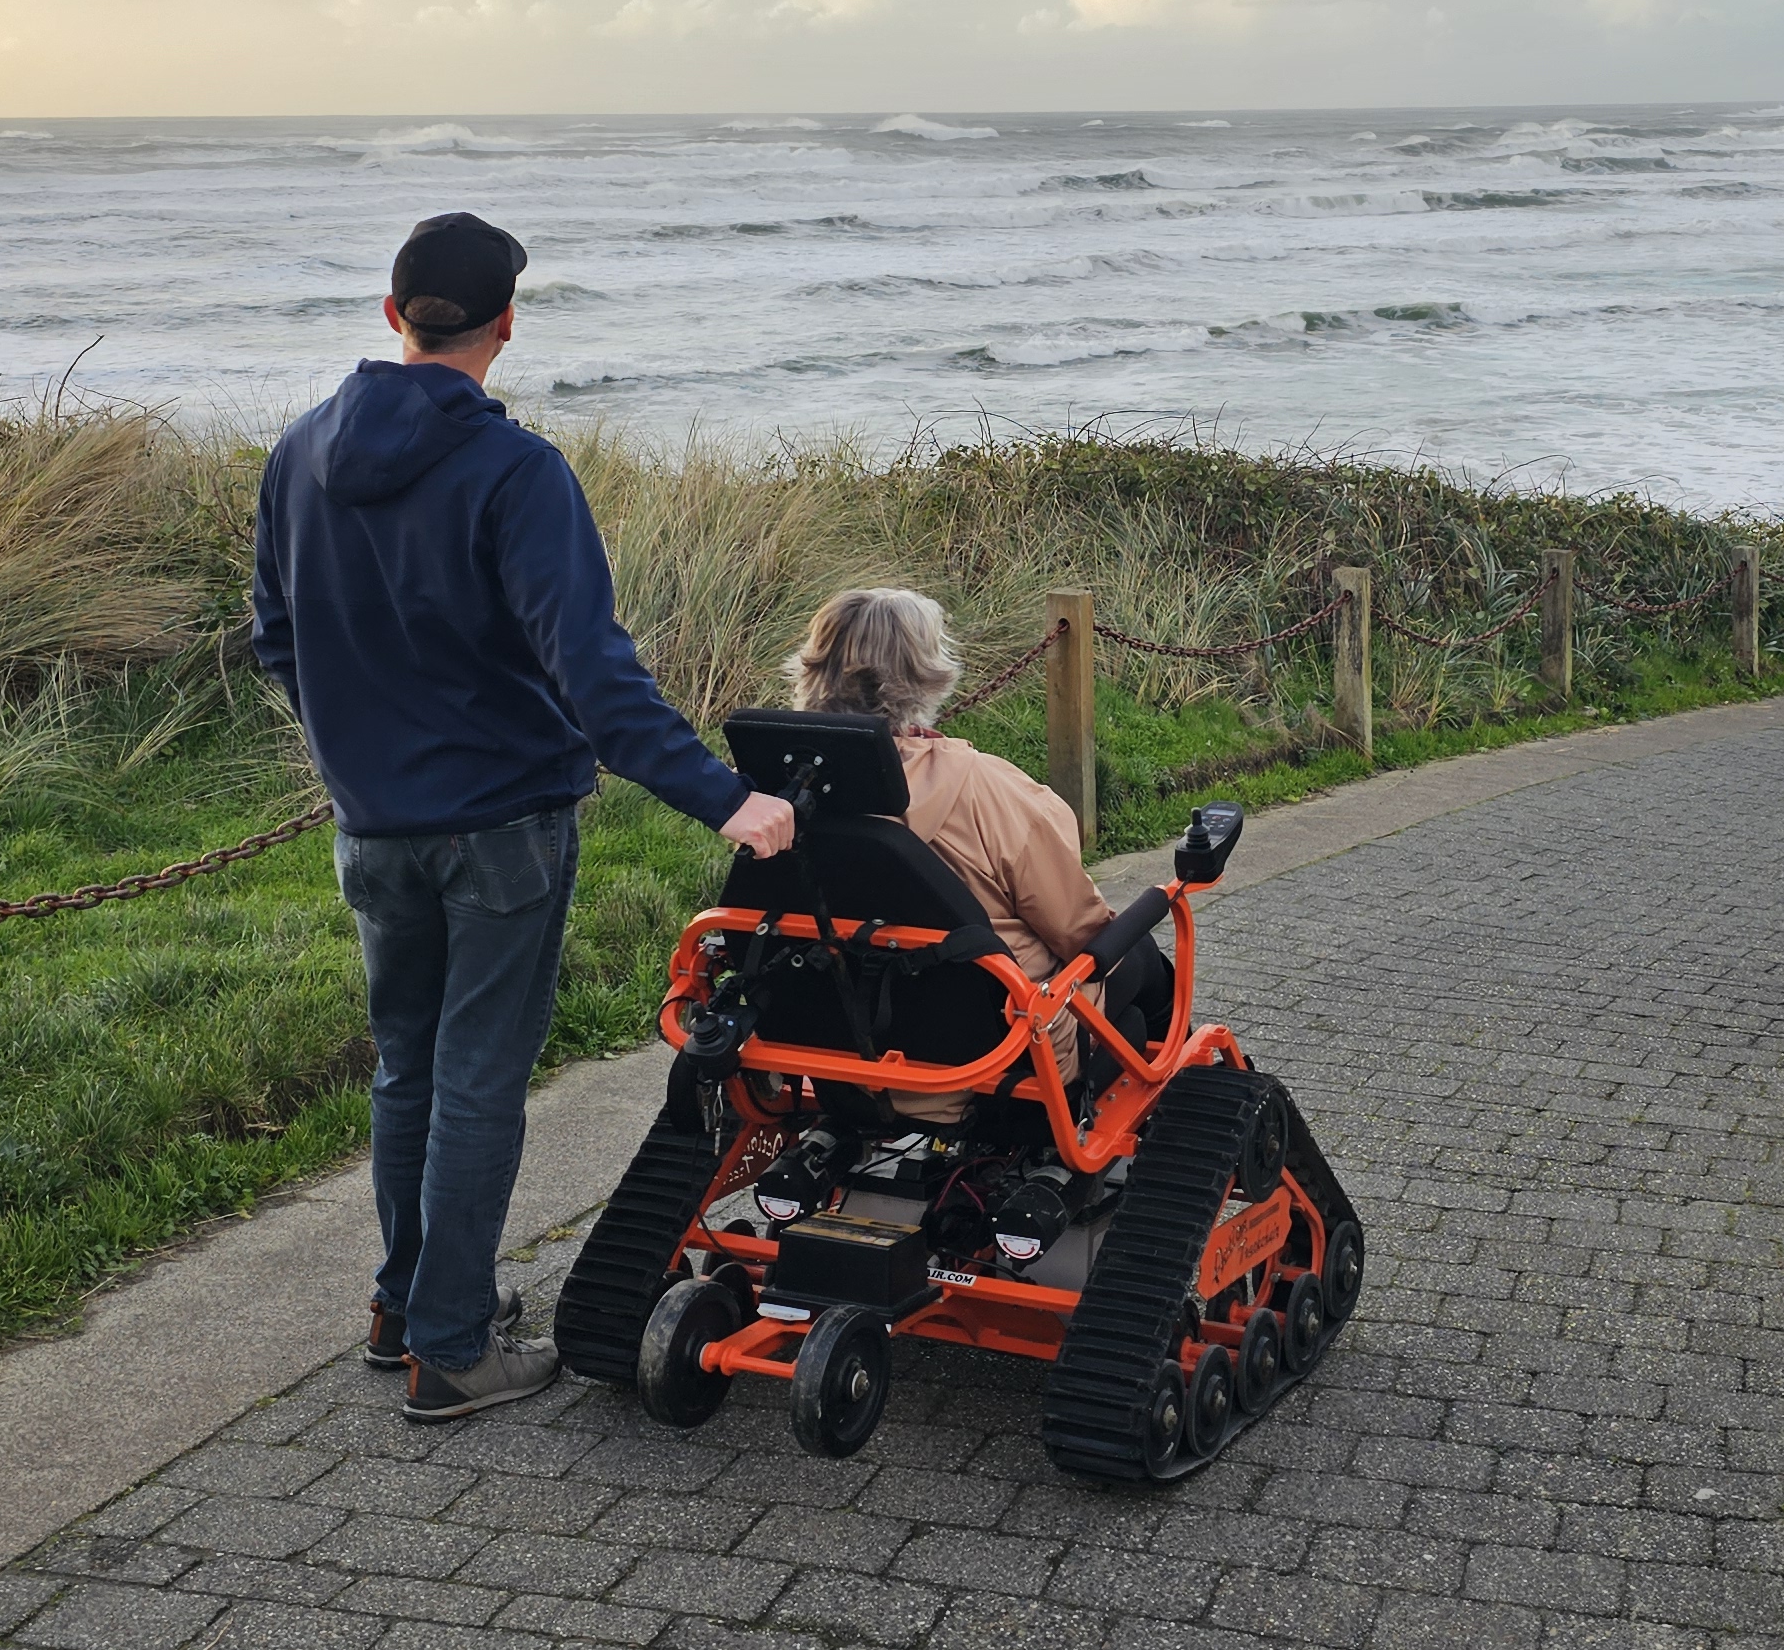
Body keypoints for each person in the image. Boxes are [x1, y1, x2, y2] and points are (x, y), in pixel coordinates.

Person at [253, 209, 795, 1421]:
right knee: (478, 1082)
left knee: (408, 1068)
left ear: (392, 314)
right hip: (499, 821)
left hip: (373, 824)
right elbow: (592, 677)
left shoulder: (297, 452)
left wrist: (355, 746)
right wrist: (727, 799)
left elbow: (274, 637)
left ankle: (406, 1305)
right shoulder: (517, 471)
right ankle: (451, 1348)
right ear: (506, 324)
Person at [785, 588, 1167, 1086]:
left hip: (831, 1057)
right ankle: (1170, 1096)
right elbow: (1078, 931)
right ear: (923, 672)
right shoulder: (982, 786)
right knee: (1136, 958)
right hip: (999, 1063)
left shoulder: (771, 801)